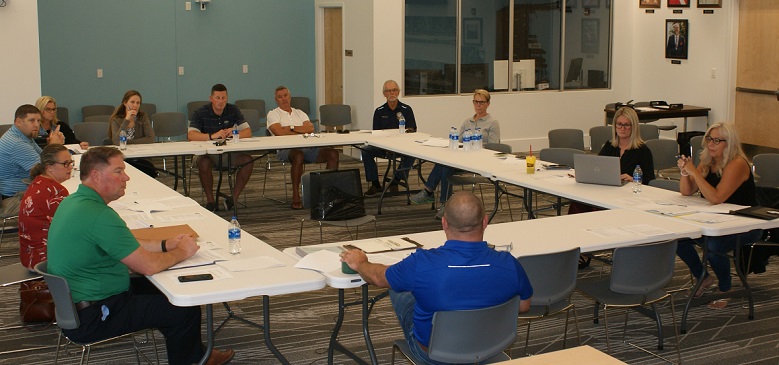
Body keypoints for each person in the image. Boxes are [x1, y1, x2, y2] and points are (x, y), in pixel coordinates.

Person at [46, 147, 234, 365]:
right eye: (118, 172)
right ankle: (193, 360)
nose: (126, 177)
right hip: (95, 315)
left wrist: (165, 244)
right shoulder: (99, 215)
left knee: (168, 291)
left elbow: (124, 243)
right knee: (183, 309)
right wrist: (182, 251)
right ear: (96, 176)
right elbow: (148, 266)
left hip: (82, 302)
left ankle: (198, 355)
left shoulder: (74, 202)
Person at [340, 192, 532, 364]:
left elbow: (379, 278)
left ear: (444, 222)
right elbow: (523, 306)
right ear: (485, 221)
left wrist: (361, 263)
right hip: (490, 346)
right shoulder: (509, 263)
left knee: (400, 288)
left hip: (436, 355)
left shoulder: (421, 263)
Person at [676, 122, 762, 309]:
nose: (710, 144)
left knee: (713, 245)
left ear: (728, 143)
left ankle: (725, 289)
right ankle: (703, 277)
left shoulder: (737, 163)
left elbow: (716, 197)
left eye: (717, 140)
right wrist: (685, 172)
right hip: (718, 219)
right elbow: (687, 191)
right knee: (678, 237)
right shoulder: (708, 160)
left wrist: (694, 173)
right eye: (709, 139)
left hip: (746, 223)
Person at [574, 106, 654, 268]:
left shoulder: (642, 150)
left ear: (634, 127)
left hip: (628, 197)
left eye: (626, 125)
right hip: (606, 190)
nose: (622, 129)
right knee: (577, 204)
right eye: (619, 125)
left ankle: (589, 247)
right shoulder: (610, 145)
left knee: (595, 210)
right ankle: (578, 247)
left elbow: (650, 180)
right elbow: (597, 166)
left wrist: (633, 178)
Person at [410, 89, 500, 218]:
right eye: (476, 102)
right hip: (463, 156)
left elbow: (494, 146)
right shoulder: (467, 121)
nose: (478, 105)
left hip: (479, 159)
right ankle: (437, 199)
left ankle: (437, 199)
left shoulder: (492, 123)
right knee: (444, 162)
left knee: (446, 167)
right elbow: (459, 140)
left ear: (488, 104)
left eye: (481, 102)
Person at [267, 86, 339, 209]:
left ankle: (326, 193)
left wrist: (290, 128)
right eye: (280, 97)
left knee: (333, 154)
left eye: (285, 95)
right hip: (286, 149)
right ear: (276, 100)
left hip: (308, 147)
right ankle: (296, 195)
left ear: (290, 97)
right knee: (298, 155)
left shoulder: (300, 113)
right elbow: (279, 132)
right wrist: (300, 131)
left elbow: (310, 129)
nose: (284, 99)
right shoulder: (273, 114)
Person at [187, 84, 254, 212]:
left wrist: (234, 133)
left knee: (248, 161)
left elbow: (248, 132)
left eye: (223, 98)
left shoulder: (233, 110)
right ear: (211, 98)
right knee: (204, 162)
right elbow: (191, 135)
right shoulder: (200, 112)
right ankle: (211, 201)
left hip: (228, 153)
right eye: (217, 97)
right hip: (206, 153)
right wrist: (212, 136)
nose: (221, 101)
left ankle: (232, 199)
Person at [0, 104, 64, 219]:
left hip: (21, 192)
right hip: (14, 198)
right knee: (64, 202)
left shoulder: (23, 136)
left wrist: (52, 146)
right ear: (18, 122)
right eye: (31, 120)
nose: (36, 125)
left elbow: (43, 158)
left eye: (38, 120)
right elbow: (46, 171)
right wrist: (54, 146)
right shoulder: (16, 143)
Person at [18, 144, 73, 269]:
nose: (70, 167)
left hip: (30, 256)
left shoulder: (39, 182)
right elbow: (73, 228)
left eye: (71, 162)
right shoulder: (56, 191)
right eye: (65, 163)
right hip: (45, 260)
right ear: (49, 168)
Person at [362, 80, 418, 197]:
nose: (391, 93)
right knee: (366, 150)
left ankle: (396, 181)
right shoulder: (379, 111)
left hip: (402, 147)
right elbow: (376, 134)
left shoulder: (406, 109)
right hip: (383, 147)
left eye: (394, 90)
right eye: (388, 91)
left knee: (412, 153)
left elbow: (412, 130)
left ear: (398, 92)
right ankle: (375, 183)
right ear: (384, 94)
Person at [108, 90, 158, 177]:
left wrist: (127, 142)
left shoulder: (142, 117)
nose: (135, 105)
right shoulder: (116, 119)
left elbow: (151, 138)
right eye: (132, 102)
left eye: (138, 103)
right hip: (123, 158)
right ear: (125, 103)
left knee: (147, 170)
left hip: (142, 157)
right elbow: (116, 141)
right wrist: (126, 120)